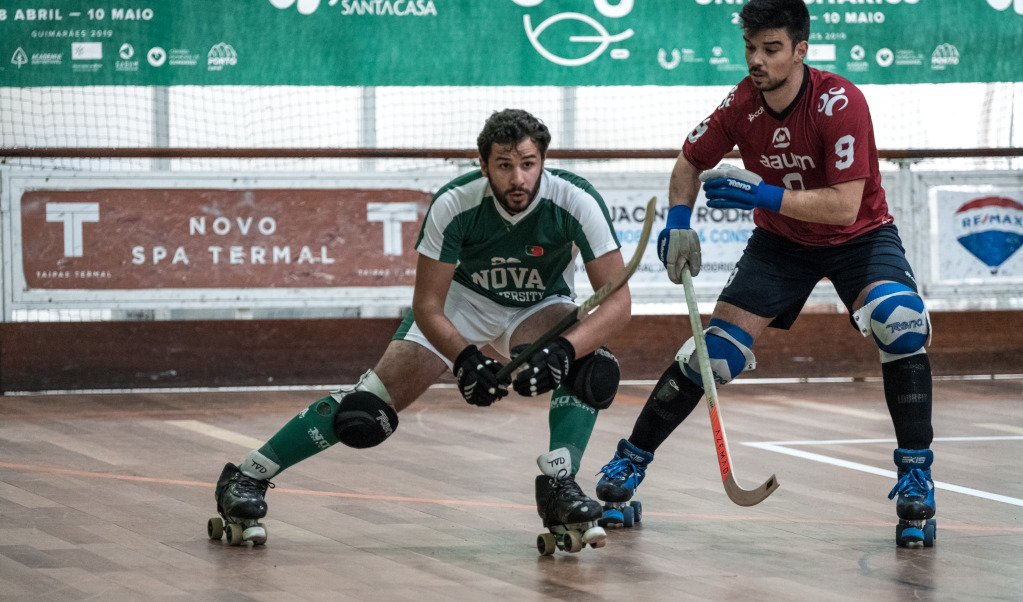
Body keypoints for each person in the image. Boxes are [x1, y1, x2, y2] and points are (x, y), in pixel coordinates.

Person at [594, 0, 936, 547]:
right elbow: (689, 162)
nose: (757, 60)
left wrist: (763, 192)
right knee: (711, 356)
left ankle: (916, 475)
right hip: (781, 243)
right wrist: (679, 221)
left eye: (771, 49)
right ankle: (627, 465)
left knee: (902, 324)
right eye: (751, 48)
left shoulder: (840, 102)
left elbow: (845, 207)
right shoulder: (740, 103)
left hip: (860, 239)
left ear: (801, 51)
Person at [209, 108, 631, 552]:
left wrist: (564, 350)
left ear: (543, 161)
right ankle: (247, 476)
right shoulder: (455, 202)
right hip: (459, 303)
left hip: (539, 305)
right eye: (504, 166)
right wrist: (466, 359)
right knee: (364, 413)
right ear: (483, 164)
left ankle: (560, 484)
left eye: (528, 164)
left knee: (593, 365)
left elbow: (617, 303)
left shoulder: (575, 200)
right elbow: (428, 304)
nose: (518, 179)